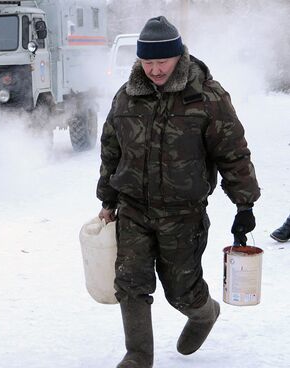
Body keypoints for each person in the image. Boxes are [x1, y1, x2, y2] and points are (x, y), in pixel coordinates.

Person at [96, 16, 260, 368]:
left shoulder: (206, 97)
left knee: (180, 290)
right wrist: (108, 198)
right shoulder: (126, 97)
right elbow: (111, 149)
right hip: (134, 209)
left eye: (162, 61)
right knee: (129, 281)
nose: (155, 70)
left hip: (183, 214)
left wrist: (244, 204)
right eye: (147, 61)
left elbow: (232, 151)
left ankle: (203, 313)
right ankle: (138, 355)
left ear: (178, 56)